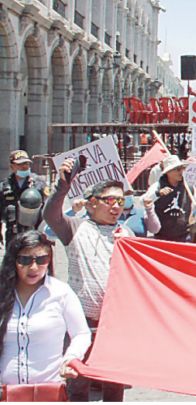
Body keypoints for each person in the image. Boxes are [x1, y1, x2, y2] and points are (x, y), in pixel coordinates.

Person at [42, 158, 132, 401]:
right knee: (78, 384)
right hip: (80, 323)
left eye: (121, 201)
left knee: (113, 386)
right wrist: (63, 185)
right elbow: (50, 214)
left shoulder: (126, 232)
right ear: (92, 204)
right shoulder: (75, 227)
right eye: (110, 200)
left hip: (114, 324)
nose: (116, 206)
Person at [0, 231, 91, 391]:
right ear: (13, 261)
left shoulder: (61, 292)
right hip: (5, 392)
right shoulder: (2, 293)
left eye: (42, 260)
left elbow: (81, 333)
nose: (34, 267)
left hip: (48, 391)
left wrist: (71, 358)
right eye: (25, 260)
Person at [143, 155, 196, 243]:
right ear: (168, 172)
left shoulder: (189, 188)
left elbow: (195, 207)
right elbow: (143, 201)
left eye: (182, 168)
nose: (181, 172)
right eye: (177, 169)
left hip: (183, 236)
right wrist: (158, 194)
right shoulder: (158, 186)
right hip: (162, 237)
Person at [1, 150, 49, 246]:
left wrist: (49, 233)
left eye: (27, 163)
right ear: (11, 166)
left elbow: (48, 209)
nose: (24, 167)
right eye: (20, 164)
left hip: (35, 233)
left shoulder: (39, 183)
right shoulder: (4, 186)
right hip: (13, 234)